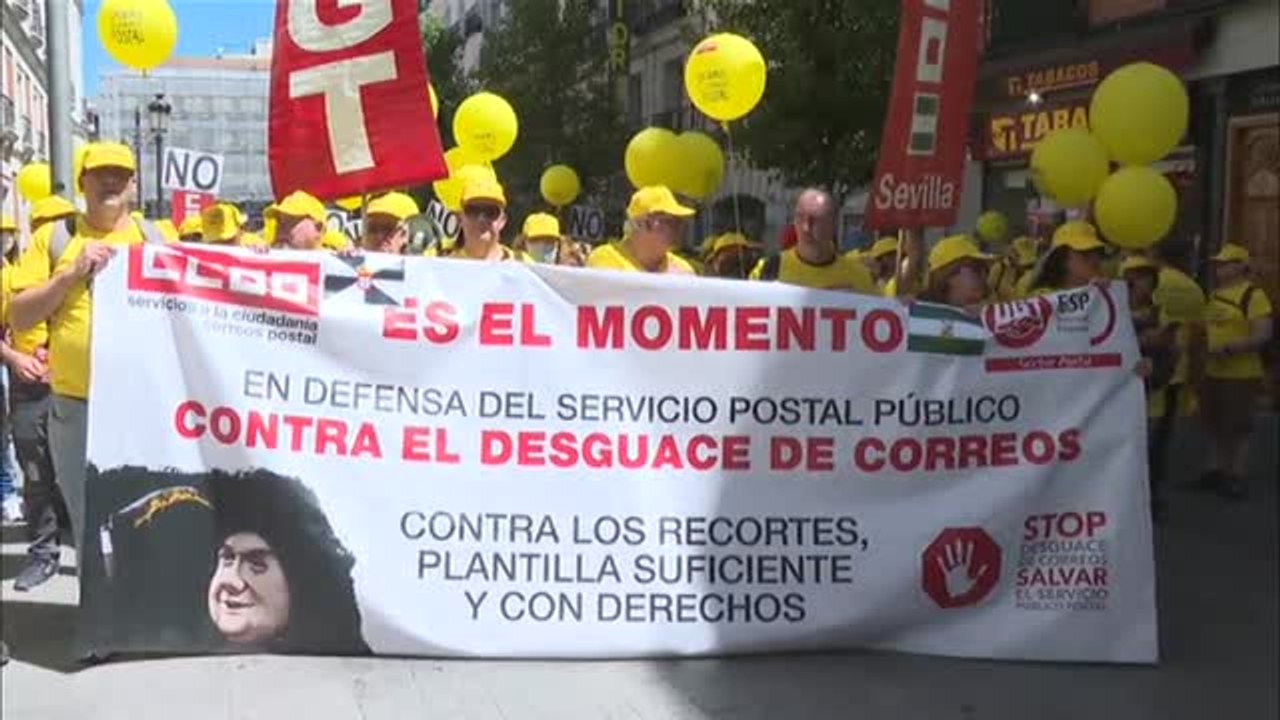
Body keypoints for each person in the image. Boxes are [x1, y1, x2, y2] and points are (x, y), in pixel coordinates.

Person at [6, 142, 166, 558]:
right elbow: (19, 316)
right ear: (82, 182)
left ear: (133, 184)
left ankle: (136, 612)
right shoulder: (54, 237)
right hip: (76, 405)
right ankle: (95, 612)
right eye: (100, 173)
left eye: (120, 173)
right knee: (85, 515)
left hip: (141, 405)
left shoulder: (157, 238)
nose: (110, 180)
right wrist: (70, 275)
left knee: (144, 515)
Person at [1200, 244, 1274, 499]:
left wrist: (1234, 347)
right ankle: (1215, 470)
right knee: (1214, 422)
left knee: (1239, 427)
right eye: (1218, 264)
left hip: (1241, 373)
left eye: (1226, 263)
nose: (1220, 268)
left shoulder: (1253, 295)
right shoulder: (1215, 294)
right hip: (1213, 370)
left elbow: (1264, 333)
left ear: (1242, 266)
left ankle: (1235, 475)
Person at [1121, 255, 1180, 520]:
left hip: (1153, 393)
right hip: (1119, 395)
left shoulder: (1162, 312)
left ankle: (1150, 498)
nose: (1140, 282)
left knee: (1152, 449)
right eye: (1134, 276)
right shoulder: (1111, 313)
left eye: (1146, 277)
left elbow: (1170, 345)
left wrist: (1157, 344)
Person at [750, 189, 876, 294]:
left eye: (816, 219)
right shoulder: (768, 269)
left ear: (834, 224)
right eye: (800, 217)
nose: (806, 227)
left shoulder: (859, 277)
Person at [586, 186, 696, 274]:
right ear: (644, 223)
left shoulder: (683, 270)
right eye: (671, 221)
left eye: (680, 222)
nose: (679, 228)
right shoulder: (605, 259)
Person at [430, 178, 528, 262]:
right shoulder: (444, 268)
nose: (481, 219)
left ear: (502, 221)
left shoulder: (524, 264)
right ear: (460, 219)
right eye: (473, 210)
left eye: (491, 212)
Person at [1024, 220, 1107, 295]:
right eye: (1085, 253)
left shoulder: (1104, 292)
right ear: (1063, 258)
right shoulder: (1043, 298)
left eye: (1097, 252)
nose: (1095, 259)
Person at [917, 235, 992, 315]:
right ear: (949, 274)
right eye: (976, 269)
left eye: (987, 270)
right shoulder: (915, 315)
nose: (984, 276)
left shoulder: (990, 316)